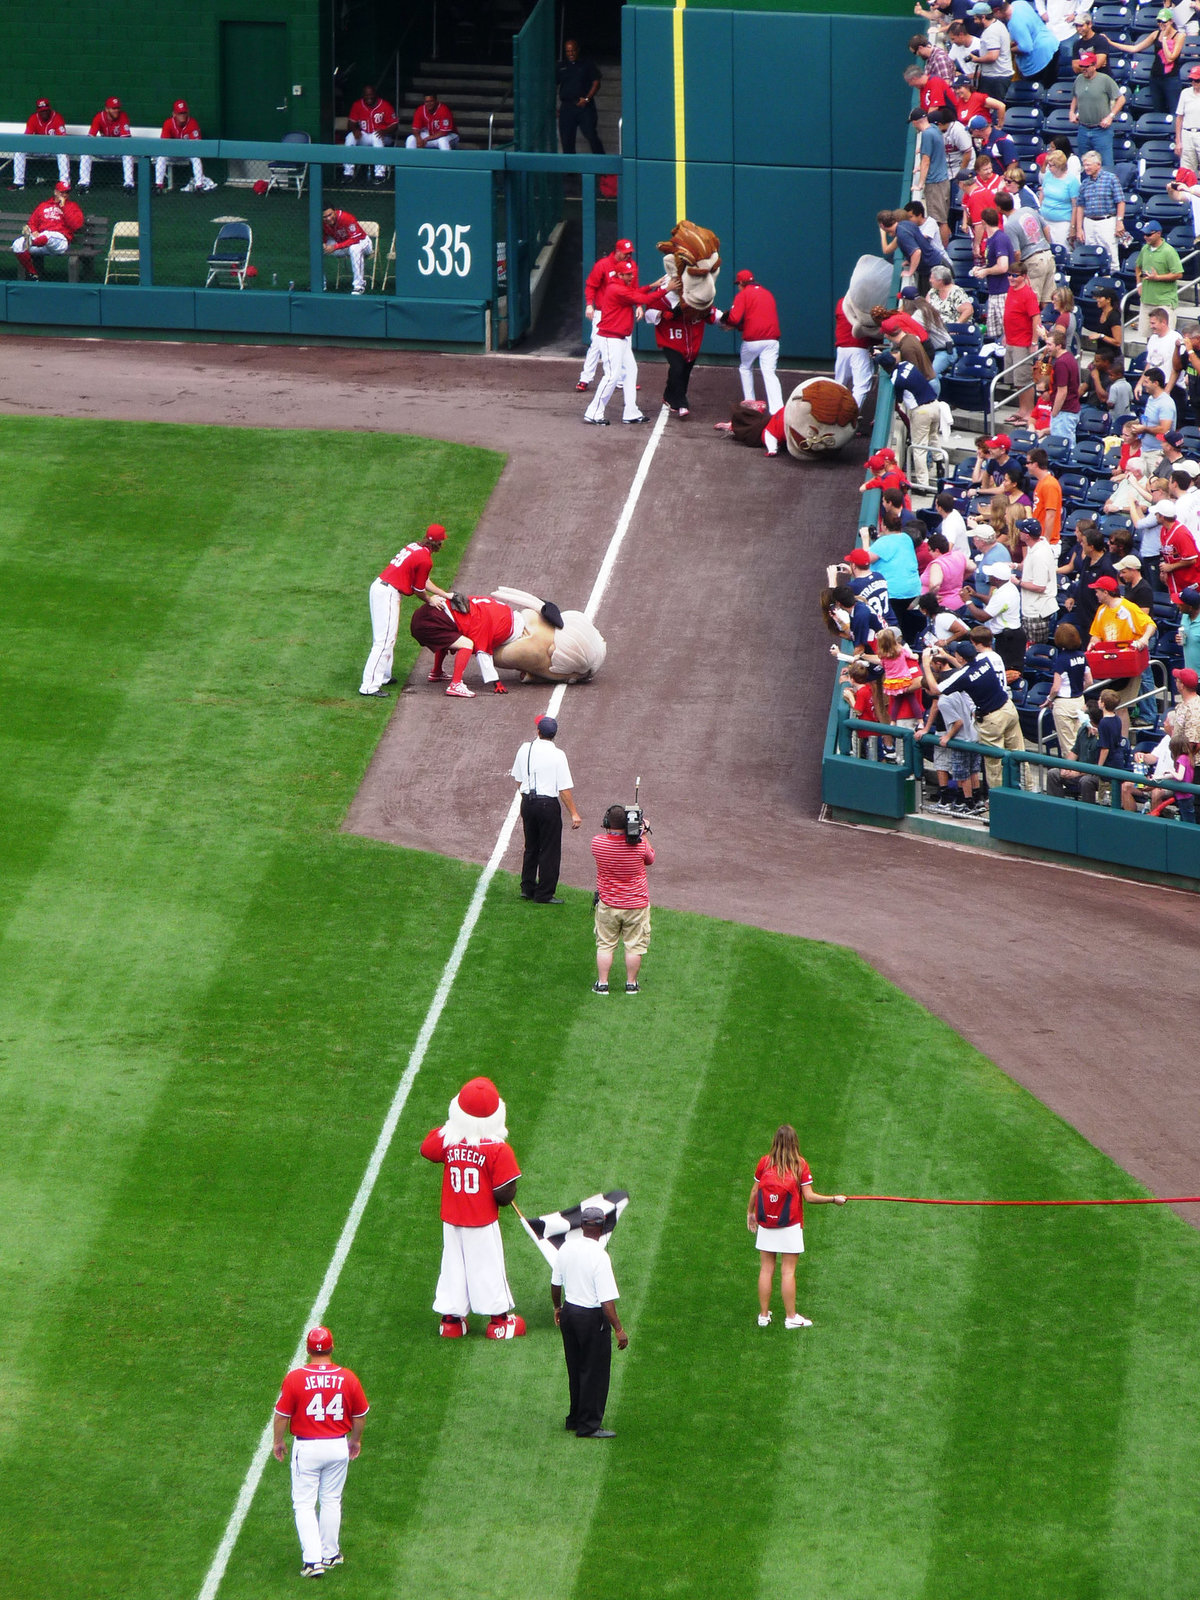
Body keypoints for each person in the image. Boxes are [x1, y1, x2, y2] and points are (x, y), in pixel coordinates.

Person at [419, 1076, 526, 1339]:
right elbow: (503, 1194)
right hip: (481, 1221)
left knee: (453, 1266)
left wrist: (454, 1128)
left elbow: (427, 1148)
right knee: (487, 1267)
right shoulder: (498, 1149)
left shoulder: (450, 1139)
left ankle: (451, 1322)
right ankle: (499, 1322)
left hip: (452, 1219)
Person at [272, 1326, 369, 1579]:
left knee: (304, 1504)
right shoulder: (347, 1377)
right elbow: (360, 1415)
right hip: (337, 1444)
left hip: (307, 1446)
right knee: (331, 1500)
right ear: (332, 1347)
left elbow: (282, 1415)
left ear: (308, 1349)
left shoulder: (295, 1378)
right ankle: (330, 1553)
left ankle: (313, 1561)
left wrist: (278, 1441)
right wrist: (355, 1441)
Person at [747, 1124, 845, 1330]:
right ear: (795, 1143)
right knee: (788, 1271)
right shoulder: (800, 1165)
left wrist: (751, 1213)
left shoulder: (764, 1162)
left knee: (766, 1269)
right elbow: (809, 1197)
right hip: (790, 1225)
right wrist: (834, 1199)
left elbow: (755, 1191)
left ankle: (763, 1316)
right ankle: (791, 1317)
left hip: (767, 1223)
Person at [551, 1205, 627, 1438]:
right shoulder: (600, 1256)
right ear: (602, 1227)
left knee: (575, 1369)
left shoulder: (566, 1248)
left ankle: (574, 1418)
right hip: (591, 1319)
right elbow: (606, 1302)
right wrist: (619, 1329)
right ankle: (589, 1425)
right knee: (594, 1372)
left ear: (582, 1226)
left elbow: (555, 1284)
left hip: (570, 1314)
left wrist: (557, 1307)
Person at [359, 524, 452, 697]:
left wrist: (446, 595)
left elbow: (423, 581)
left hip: (381, 588)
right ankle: (369, 686)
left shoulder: (415, 547)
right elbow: (418, 589)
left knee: (388, 638)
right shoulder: (425, 559)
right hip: (387, 593)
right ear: (438, 543)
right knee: (384, 640)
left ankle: (384, 676)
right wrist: (429, 600)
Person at [922, 637, 1025, 793]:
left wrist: (925, 663)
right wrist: (947, 656)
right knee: (1020, 755)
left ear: (961, 657)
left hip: (993, 718)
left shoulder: (964, 674)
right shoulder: (984, 660)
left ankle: (999, 801)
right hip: (1008, 709)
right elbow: (966, 671)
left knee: (994, 763)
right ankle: (1028, 789)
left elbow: (936, 689)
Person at [511, 715, 582, 904]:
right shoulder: (558, 754)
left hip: (527, 802)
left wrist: (527, 799)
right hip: (547, 805)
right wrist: (574, 813)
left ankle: (527, 888)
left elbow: (518, 780)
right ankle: (544, 894)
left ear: (538, 731)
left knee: (531, 847)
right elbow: (564, 789)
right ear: (554, 734)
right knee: (549, 850)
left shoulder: (525, 748)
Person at [591, 803, 654, 995]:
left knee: (605, 945)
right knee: (634, 946)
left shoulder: (597, 844)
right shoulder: (640, 846)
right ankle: (631, 984)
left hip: (608, 905)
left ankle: (602, 984)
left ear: (606, 823)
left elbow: (611, 840)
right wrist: (642, 832)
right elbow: (650, 859)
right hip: (636, 906)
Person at [587, 261, 657, 424]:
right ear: (620, 275)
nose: (632, 276)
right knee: (611, 376)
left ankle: (631, 412)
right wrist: (665, 289)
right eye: (628, 274)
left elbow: (637, 292)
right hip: (611, 339)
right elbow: (643, 298)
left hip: (621, 339)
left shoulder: (621, 286)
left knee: (631, 370)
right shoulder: (616, 289)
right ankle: (594, 412)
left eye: (632, 273)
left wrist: (653, 285)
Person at [642, 279, 722, 418]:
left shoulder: (699, 297)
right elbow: (648, 313)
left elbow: (714, 315)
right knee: (677, 368)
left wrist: (729, 319)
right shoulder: (664, 297)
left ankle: (669, 395)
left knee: (684, 371)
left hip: (692, 342)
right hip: (671, 339)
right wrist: (662, 314)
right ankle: (682, 403)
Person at [874, 348, 942, 490]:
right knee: (933, 436)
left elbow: (899, 399)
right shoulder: (907, 364)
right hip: (935, 405)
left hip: (921, 411)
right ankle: (940, 465)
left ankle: (923, 485)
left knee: (919, 448)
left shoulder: (896, 380)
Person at [576, 238, 635, 391]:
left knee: (624, 344)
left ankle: (623, 379)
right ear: (617, 251)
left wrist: (639, 306)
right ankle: (585, 378)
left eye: (630, 253)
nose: (628, 256)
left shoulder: (631, 266)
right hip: (603, 313)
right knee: (596, 344)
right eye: (626, 253)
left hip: (622, 312)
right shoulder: (602, 265)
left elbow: (634, 288)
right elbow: (591, 285)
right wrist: (589, 304)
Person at [725, 269, 783, 413]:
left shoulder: (743, 294)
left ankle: (751, 403)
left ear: (742, 283)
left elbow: (734, 318)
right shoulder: (768, 293)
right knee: (769, 372)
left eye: (738, 284)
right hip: (772, 341)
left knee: (745, 368)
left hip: (752, 341)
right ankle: (777, 410)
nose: (738, 286)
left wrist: (730, 324)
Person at [10, 181, 83, 281]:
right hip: (41, 243)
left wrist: (64, 207)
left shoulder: (72, 206)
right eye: (62, 192)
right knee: (17, 244)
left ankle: (32, 241)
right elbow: (32, 222)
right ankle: (33, 274)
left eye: (67, 192)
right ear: (55, 192)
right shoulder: (43, 205)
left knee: (48, 235)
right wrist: (34, 231)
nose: (64, 195)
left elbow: (76, 225)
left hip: (60, 242)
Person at [1069, 54, 1126, 171]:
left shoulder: (1105, 80)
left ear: (1094, 66)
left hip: (1101, 130)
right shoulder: (1079, 79)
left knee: (1106, 166)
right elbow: (1075, 96)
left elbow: (1121, 99)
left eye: (1086, 66)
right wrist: (1071, 112)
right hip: (1083, 128)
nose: (1083, 69)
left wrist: (1111, 116)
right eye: (1082, 66)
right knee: (1085, 165)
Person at [1002, 260, 1045, 415]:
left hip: (1023, 342)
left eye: (1015, 275)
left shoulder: (1028, 294)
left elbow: (1036, 318)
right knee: (1017, 382)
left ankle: (1029, 413)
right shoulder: (1011, 289)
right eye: (1009, 275)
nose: (1011, 278)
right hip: (1011, 340)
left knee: (1024, 380)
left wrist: (1034, 341)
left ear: (1024, 276)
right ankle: (1022, 410)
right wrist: (1006, 335)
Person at [1072, 149, 1126, 270]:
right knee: (1091, 255)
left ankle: (1112, 281)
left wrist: (1119, 221)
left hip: (1106, 221)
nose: (1085, 168)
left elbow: (1120, 201)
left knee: (1110, 254)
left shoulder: (1111, 179)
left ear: (1098, 164)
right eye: (1084, 165)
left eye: (1088, 165)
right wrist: (1079, 229)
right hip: (1089, 222)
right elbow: (1080, 206)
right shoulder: (1084, 183)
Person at [1048, 620, 1092, 758]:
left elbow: (1055, 688)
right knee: (1080, 744)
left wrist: (1049, 699)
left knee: (1069, 747)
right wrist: (1080, 689)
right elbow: (1089, 681)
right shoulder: (1082, 656)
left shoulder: (1061, 660)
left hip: (1064, 705)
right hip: (1079, 701)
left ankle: (1071, 776)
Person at [1046, 696, 1104, 798]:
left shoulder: (1102, 737)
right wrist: (1066, 767)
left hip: (1092, 774)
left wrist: (1077, 773)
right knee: (1053, 773)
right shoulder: (1083, 730)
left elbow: (1097, 766)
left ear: (1089, 718)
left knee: (1086, 781)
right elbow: (1074, 752)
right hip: (1078, 771)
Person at [910, 106, 953, 242]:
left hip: (935, 183)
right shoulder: (934, 129)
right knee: (942, 219)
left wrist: (920, 184)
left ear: (915, 122)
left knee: (939, 221)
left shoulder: (927, 134)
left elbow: (926, 161)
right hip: (943, 180)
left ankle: (944, 255)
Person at [1135, 219, 1183, 338]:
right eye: (1144, 234)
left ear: (1158, 233)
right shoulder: (1145, 249)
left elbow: (1178, 274)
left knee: (1165, 337)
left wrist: (1158, 278)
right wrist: (1139, 284)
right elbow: (1137, 267)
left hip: (1164, 301)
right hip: (1146, 300)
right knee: (1148, 337)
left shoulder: (1169, 251)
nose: (1146, 237)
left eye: (1149, 234)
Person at [154, 100, 217, 192]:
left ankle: (199, 186)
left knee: (196, 158)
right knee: (161, 157)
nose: (182, 115)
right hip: (173, 154)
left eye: (184, 113)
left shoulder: (193, 123)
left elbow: (196, 146)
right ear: (174, 114)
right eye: (180, 113)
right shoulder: (168, 123)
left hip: (187, 153)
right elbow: (165, 145)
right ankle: (158, 186)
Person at [1014, 515, 1059, 642]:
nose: (1019, 533)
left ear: (1027, 535)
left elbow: (1040, 587)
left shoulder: (1040, 555)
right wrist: (1016, 566)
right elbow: (1030, 569)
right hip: (1031, 607)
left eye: (1021, 530)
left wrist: (1018, 582)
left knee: (1035, 649)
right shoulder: (1035, 546)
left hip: (1036, 611)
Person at [343, 85, 399, 183]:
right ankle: (348, 173)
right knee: (350, 137)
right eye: (366, 95)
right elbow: (350, 124)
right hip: (365, 135)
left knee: (376, 135)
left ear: (375, 94)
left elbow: (395, 125)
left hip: (383, 136)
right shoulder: (357, 105)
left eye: (371, 94)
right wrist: (355, 130)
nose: (369, 97)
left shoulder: (385, 105)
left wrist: (384, 131)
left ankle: (380, 174)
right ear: (363, 95)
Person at [558, 40, 604, 155]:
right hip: (567, 106)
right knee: (567, 139)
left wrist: (587, 99)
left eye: (572, 50)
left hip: (584, 106)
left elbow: (596, 82)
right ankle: (570, 171)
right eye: (568, 51)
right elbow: (552, 84)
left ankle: (603, 167)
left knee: (591, 136)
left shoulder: (587, 64)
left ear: (577, 50)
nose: (571, 53)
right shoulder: (562, 66)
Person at [78, 97, 134, 192]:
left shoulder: (123, 116)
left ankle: (129, 185)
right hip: (104, 150)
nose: (116, 110)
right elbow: (90, 138)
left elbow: (125, 141)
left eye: (117, 108)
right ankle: (84, 183)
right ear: (107, 109)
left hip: (118, 150)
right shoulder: (99, 117)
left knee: (128, 153)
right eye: (113, 108)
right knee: (85, 152)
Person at [12, 97, 69, 190]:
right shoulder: (33, 118)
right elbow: (26, 139)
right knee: (19, 151)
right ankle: (18, 183)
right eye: (41, 111)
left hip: (53, 149)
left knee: (62, 153)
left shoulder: (57, 118)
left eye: (46, 110)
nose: (44, 113)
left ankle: (64, 182)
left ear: (49, 109)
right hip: (38, 149)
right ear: (38, 111)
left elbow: (62, 140)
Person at [833, 293, 877, 408]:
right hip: (859, 349)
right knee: (861, 386)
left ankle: (834, 414)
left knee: (839, 384)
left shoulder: (841, 301)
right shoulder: (867, 304)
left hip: (842, 349)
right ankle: (851, 416)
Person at [322, 206, 373, 296]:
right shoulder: (321, 222)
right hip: (343, 245)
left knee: (354, 248)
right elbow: (323, 235)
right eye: (325, 217)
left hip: (363, 242)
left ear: (335, 211)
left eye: (330, 214)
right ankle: (320, 283)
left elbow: (355, 239)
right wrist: (324, 243)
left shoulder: (346, 217)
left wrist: (335, 247)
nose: (328, 218)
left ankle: (359, 285)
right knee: (318, 248)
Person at [1038, 147, 1079, 247]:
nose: (1049, 168)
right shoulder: (1048, 176)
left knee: (1061, 249)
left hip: (1062, 223)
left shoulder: (1072, 181)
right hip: (1045, 220)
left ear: (1059, 166)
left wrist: (1073, 227)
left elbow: (1075, 206)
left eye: (1051, 166)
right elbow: (1042, 194)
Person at [1047, 326, 1081, 443]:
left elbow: (1062, 391)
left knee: (1062, 447)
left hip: (1064, 412)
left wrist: (1054, 413)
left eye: (1050, 345)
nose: (1047, 348)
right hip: (1069, 410)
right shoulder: (1069, 357)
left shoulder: (1061, 363)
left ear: (1059, 346)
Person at [1176, 65, 1200, 173]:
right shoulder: (1185, 93)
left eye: (1197, 80)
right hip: (1187, 133)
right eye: (1191, 80)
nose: (1194, 82)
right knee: (1187, 172)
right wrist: (1178, 141)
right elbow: (1179, 118)